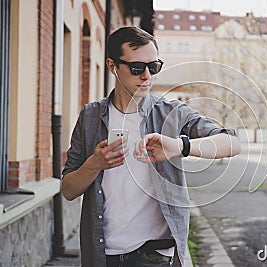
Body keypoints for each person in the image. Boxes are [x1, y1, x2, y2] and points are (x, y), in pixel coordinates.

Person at [61, 26, 241, 267]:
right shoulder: (90, 116)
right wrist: (94, 165)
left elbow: (232, 143)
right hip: (103, 253)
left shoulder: (171, 113)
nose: (147, 76)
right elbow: (68, 190)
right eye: (137, 68)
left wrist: (179, 146)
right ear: (112, 66)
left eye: (154, 67)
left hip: (154, 254)